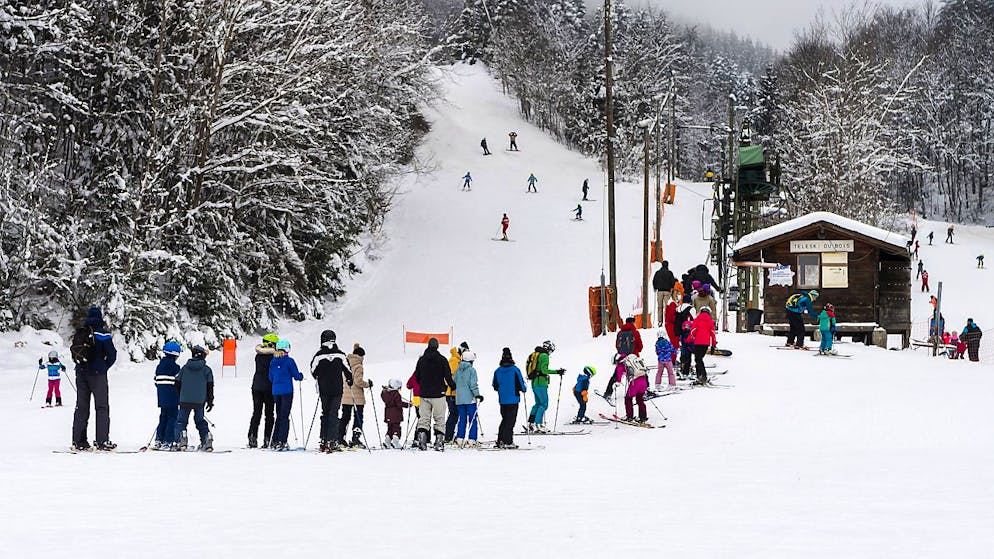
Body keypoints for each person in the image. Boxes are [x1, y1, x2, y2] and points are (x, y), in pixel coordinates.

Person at [70, 307, 118, 451]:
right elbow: (112, 355)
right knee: (102, 407)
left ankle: (78, 441)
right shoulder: (102, 333)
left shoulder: (82, 332)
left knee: (81, 407)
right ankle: (102, 440)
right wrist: (103, 367)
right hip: (97, 374)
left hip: (81, 372)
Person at [310, 330, 352, 453]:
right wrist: (350, 380)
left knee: (325, 413)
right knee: (334, 413)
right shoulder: (340, 354)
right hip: (337, 388)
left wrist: (321, 376)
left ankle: (323, 439)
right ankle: (332, 440)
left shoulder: (319, 355)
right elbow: (348, 369)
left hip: (324, 389)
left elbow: (313, 371)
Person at [413, 337, 456, 451]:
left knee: (424, 418)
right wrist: (452, 386)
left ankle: (422, 440)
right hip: (439, 394)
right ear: (437, 347)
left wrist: (424, 383)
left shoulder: (421, 360)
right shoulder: (442, 360)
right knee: (439, 418)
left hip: (424, 394)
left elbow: (416, 376)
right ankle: (439, 441)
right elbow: (447, 376)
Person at [172, 345, 215, 451]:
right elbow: (210, 386)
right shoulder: (207, 370)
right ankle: (206, 438)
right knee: (200, 420)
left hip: (185, 399)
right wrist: (210, 400)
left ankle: (181, 440)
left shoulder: (185, 368)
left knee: (181, 421)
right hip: (200, 401)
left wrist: (180, 395)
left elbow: (177, 382)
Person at [269, 339, 303, 451]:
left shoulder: (273, 361)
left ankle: (275, 439)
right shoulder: (289, 361)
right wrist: (300, 376)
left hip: (276, 391)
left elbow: (270, 377)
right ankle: (282, 441)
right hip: (287, 391)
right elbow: (296, 375)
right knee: (284, 416)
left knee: (279, 415)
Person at [525, 340, 563, 433]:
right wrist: (557, 372)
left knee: (537, 404)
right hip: (541, 383)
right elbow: (544, 370)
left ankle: (531, 424)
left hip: (534, 382)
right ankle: (539, 424)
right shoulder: (544, 356)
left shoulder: (535, 354)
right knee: (543, 404)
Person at [492, 348, 526, 449]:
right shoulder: (515, 369)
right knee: (511, 421)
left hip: (502, 399)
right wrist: (523, 389)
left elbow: (495, 385)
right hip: (513, 399)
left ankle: (500, 440)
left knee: (504, 419)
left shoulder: (498, 370)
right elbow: (521, 384)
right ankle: (508, 441)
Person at [248, 333, 278, 448]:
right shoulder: (273, 357)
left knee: (256, 413)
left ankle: (252, 437)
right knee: (269, 415)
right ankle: (268, 438)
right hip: (269, 388)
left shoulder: (258, 356)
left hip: (256, 387)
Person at [340, 343, 372, 448]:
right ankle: (356, 438)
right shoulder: (359, 366)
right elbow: (358, 381)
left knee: (345, 417)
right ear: (361, 356)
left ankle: (340, 437)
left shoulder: (346, 363)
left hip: (345, 395)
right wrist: (367, 384)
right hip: (356, 396)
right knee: (358, 417)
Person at [604, 318, 642, 402]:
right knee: (640, 374)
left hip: (622, 358)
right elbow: (640, 346)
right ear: (633, 323)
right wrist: (636, 351)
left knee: (616, 375)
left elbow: (617, 345)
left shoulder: (620, 333)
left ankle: (608, 393)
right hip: (633, 358)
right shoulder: (635, 332)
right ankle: (643, 392)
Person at [153, 341, 181, 449]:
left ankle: (159, 439)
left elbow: (156, 381)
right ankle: (168, 440)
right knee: (172, 418)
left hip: (162, 397)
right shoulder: (176, 367)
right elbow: (179, 382)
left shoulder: (159, 367)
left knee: (163, 417)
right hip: (173, 398)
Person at [454, 350, 483, 446]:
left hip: (459, 399)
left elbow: (455, 382)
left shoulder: (458, 370)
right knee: (472, 418)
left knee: (462, 419)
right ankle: (471, 439)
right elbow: (473, 384)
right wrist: (477, 394)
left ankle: (460, 438)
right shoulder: (472, 370)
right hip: (470, 399)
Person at [445, 341, 469, 443]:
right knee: (454, 414)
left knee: (456, 414)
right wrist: (452, 386)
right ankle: (448, 436)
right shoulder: (454, 360)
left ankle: (450, 435)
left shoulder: (459, 360)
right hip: (452, 392)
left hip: (457, 392)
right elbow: (449, 375)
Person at [689, 307, 718, 384]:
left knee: (698, 359)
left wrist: (689, 340)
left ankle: (702, 375)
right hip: (706, 343)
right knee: (699, 359)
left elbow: (693, 330)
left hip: (698, 342)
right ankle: (700, 375)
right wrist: (713, 345)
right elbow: (713, 334)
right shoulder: (710, 321)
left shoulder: (697, 319)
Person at [381, 379, 409, 449]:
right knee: (396, 428)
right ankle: (395, 442)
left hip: (388, 414)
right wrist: (408, 405)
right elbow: (399, 404)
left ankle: (387, 442)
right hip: (396, 415)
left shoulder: (385, 393)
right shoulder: (396, 394)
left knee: (390, 428)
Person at [621, 354, 649, 422]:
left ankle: (629, 416)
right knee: (640, 399)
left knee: (628, 398)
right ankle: (643, 417)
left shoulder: (626, 363)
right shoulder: (638, 361)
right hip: (644, 380)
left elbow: (621, 373)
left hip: (635, 382)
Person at [652, 261, 676, 327]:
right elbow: (673, 282)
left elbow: (654, 281)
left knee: (660, 307)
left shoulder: (657, 272)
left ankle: (660, 321)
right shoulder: (670, 273)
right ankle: (666, 320)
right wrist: (671, 287)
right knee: (667, 307)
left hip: (659, 291)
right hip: (667, 291)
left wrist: (655, 287)